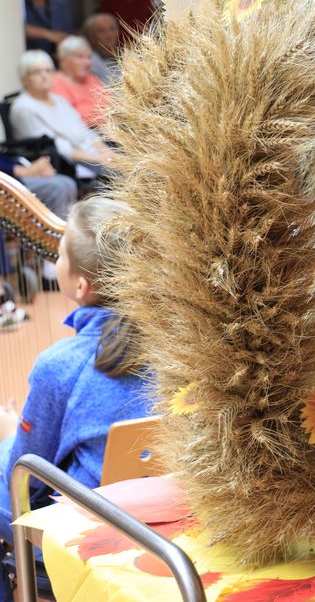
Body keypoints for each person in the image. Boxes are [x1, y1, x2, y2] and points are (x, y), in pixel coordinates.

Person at [0, 196, 151, 600]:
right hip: (161, 520)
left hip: (90, 525)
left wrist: (12, 432)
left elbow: (27, 483)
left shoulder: (61, 365)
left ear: (82, 286)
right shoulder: (182, 348)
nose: (55, 262)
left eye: (61, 254)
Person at [9, 51, 112, 180]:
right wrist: (98, 159)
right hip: (70, 164)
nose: (44, 76)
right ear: (24, 78)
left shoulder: (59, 100)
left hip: (92, 155)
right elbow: (56, 147)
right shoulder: (23, 107)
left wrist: (107, 152)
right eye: (36, 72)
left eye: (48, 70)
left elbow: (85, 131)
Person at [51, 36, 112, 129]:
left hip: (107, 131)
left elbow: (111, 107)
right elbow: (69, 118)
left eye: (89, 57)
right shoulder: (55, 83)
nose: (87, 63)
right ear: (63, 60)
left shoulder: (92, 79)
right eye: (80, 57)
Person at [0, 153, 76, 219]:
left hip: (14, 167)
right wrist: (27, 170)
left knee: (68, 182)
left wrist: (34, 167)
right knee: (58, 187)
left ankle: (67, 230)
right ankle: (58, 232)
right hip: (8, 179)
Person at [83, 13, 121, 86]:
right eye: (101, 31)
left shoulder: (131, 56)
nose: (109, 35)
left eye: (112, 29)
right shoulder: (88, 63)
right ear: (91, 36)